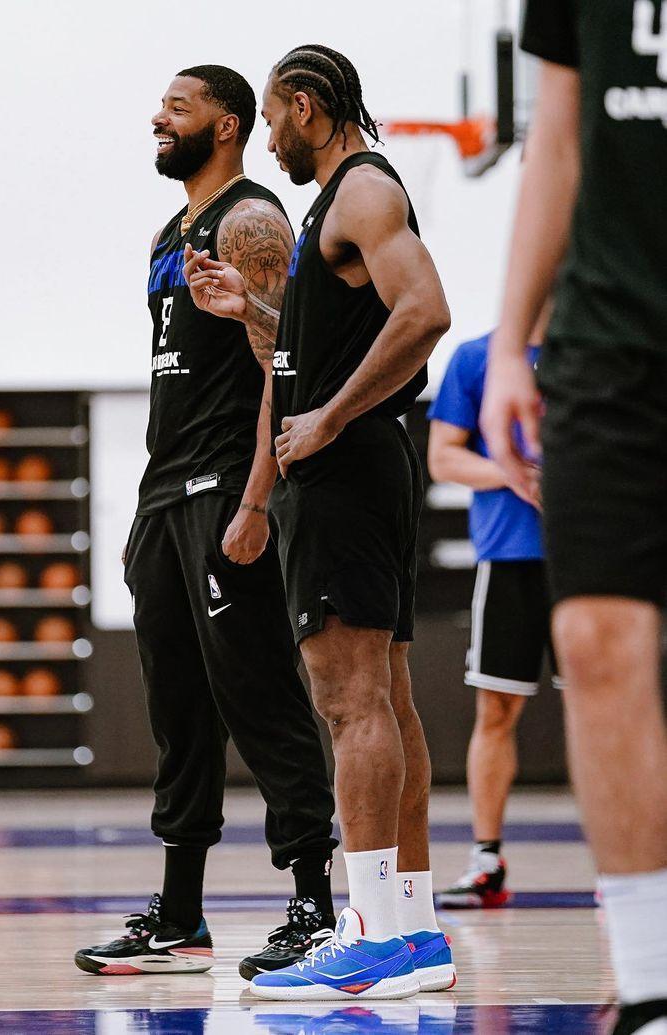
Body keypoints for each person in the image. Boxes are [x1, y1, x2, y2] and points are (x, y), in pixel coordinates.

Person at [185, 44, 455, 1000]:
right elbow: (316, 342)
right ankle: (413, 929)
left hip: (346, 471)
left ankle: (370, 932)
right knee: (385, 698)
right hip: (356, 471)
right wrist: (251, 306)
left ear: (305, 106)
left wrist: (332, 416)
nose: (267, 139)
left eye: (270, 119)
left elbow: (426, 311)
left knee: (351, 705)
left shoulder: (364, 192)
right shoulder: (334, 208)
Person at [74, 64, 338, 979]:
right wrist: (146, 511)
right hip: (165, 495)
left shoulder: (252, 220)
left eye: (177, 107)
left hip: (228, 486)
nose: (159, 117)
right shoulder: (168, 233)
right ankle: (181, 918)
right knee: (179, 713)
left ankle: (314, 904)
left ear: (225, 125)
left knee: (259, 695)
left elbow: (285, 363)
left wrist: (258, 497)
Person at [480, 5, 667, 1033]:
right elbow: (556, 133)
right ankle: (650, 985)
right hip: (608, 338)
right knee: (595, 637)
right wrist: (514, 341)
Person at [427, 309, 558, 909]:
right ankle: (486, 861)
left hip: (591, 556)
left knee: (607, 707)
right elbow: (443, 458)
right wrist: (515, 474)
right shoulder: (479, 357)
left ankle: (630, 865)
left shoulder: (597, 347)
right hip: (509, 556)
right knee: (497, 710)